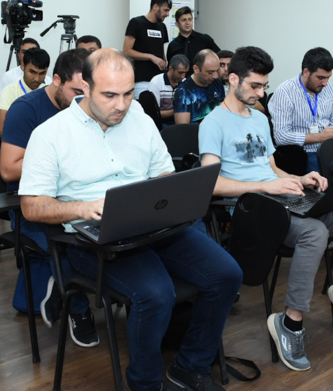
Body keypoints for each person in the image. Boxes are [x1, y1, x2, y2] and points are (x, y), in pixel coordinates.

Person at [19, 49, 242, 391]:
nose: (121, 105)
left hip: (150, 222)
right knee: (156, 293)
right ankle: (144, 383)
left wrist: (165, 197)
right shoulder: (51, 134)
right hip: (91, 239)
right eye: (110, 95)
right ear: (85, 87)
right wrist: (83, 208)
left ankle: (190, 366)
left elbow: (164, 174)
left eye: (128, 93)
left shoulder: (139, 118)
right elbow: (32, 207)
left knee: (227, 274)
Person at [199, 46, 333, 372]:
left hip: (279, 196)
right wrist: (265, 187)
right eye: (255, 86)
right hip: (251, 209)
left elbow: (272, 169)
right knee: (315, 232)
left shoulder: (258, 118)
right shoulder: (213, 123)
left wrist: (299, 179)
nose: (260, 93)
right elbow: (211, 184)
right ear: (233, 79)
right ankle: (290, 323)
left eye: (264, 86)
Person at [0, 48, 98, 342]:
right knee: (71, 243)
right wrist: (58, 158)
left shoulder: (89, 108)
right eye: (76, 91)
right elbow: (7, 169)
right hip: (32, 203)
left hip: (77, 195)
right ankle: (79, 310)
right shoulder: (26, 109)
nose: (82, 99)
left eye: (87, 92)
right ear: (56, 80)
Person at [269, 47, 333, 174]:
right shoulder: (285, 92)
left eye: (328, 77)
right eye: (321, 77)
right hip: (304, 154)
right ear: (306, 72)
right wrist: (319, 137)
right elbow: (281, 137)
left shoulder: (328, 88)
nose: (325, 83)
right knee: (326, 179)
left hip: (330, 147)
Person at [123, 0, 171, 98]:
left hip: (160, 79)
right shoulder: (136, 23)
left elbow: (161, 51)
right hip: (142, 81)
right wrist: (151, 57)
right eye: (165, 10)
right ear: (155, 6)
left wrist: (164, 63)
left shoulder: (162, 27)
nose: (167, 14)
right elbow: (127, 51)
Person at [0, 48, 50, 137]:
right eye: (32, 72)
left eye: (42, 73)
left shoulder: (48, 91)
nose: (36, 79)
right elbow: (0, 130)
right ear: (23, 66)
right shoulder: (10, 90)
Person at [173, 49, 224, 124]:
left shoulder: (217, 83)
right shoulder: (183, 92)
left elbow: (223, 112)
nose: (215, 76)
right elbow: (183, 128)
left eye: (217, 70)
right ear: (196, 69)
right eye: (210, 72)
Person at [166, 6, 220, 72]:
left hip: (203, 77)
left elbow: (219, 56)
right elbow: (171, 69)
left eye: (190, 19)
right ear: (177, 24)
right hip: (182, 78)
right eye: (184, 20)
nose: (187, 23)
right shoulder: (173, 45)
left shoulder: (205, 39)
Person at [0, 38, 46, 108]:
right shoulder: (8, 77)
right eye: (24, 52)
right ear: (19, 55)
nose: (28, 55)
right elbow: (0, 108)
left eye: (32, 52)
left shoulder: (47, 80)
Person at [147, 53, 189, 125]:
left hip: (182, 121)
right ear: (171, 69)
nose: (183, 76)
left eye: (185, 73)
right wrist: (177, 110)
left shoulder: (185, 82)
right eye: (180, 73)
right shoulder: (156, 82)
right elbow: (154, 114)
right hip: (162, 123)